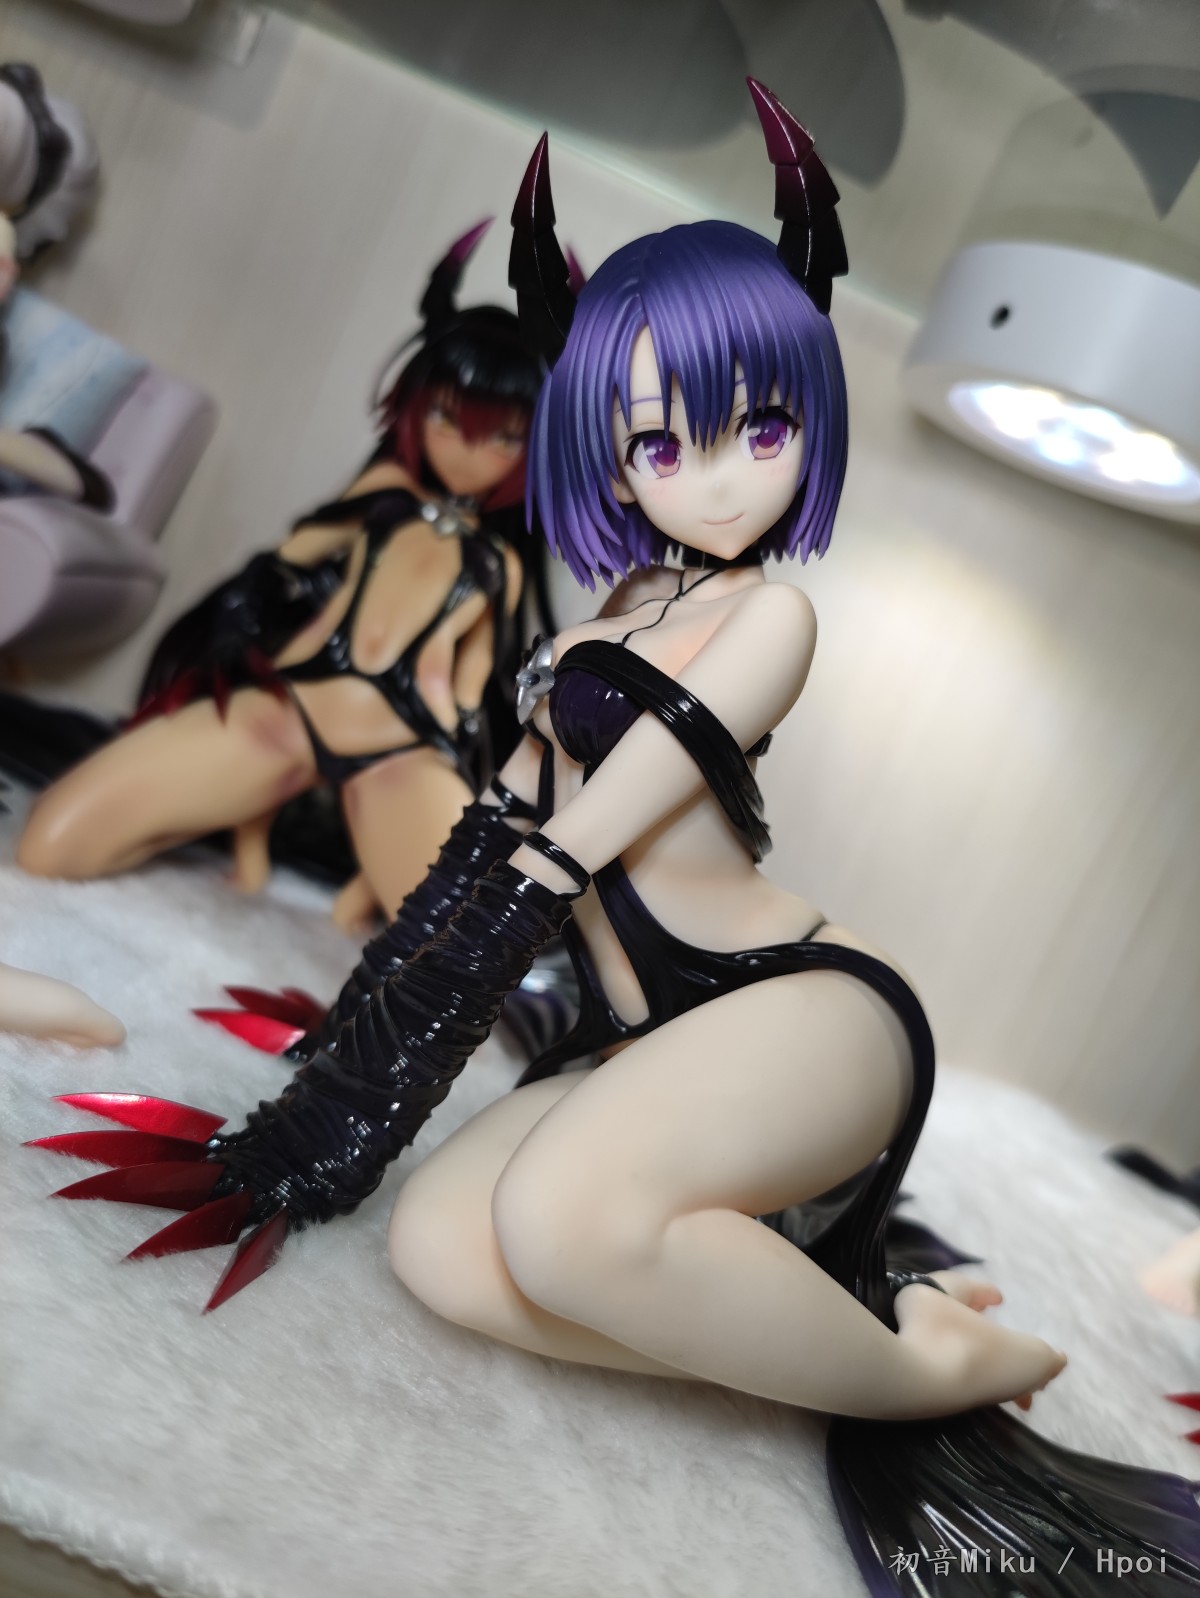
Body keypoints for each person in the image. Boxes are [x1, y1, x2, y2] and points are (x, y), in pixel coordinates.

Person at [36, 83, 1200, 1595]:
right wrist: (368, 1031)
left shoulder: (770, 616)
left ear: (809, 418)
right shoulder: (627, 602)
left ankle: (928, 1371)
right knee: (448, 1254)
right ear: (611, 451)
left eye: (758, 427)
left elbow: (598, 810)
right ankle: (810, 1319)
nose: (711, 476)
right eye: (659, 442)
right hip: (641, 1029)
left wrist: (493, 880)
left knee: (560, 1221)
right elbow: (506, 806)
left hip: (805, 1009)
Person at [16, 222, 552, 927]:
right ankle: (236, 819)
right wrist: (253, 641)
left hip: (401, 749)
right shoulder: (385, 497)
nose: (468, 452)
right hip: (292, 708)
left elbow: (475, 679)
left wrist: (461, 754)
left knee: (465, 948)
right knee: (48, 846)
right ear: (416, 409)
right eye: (447, 419)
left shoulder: (499, 563)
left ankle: (349, 870)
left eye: (505, 437)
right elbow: (283, 564)